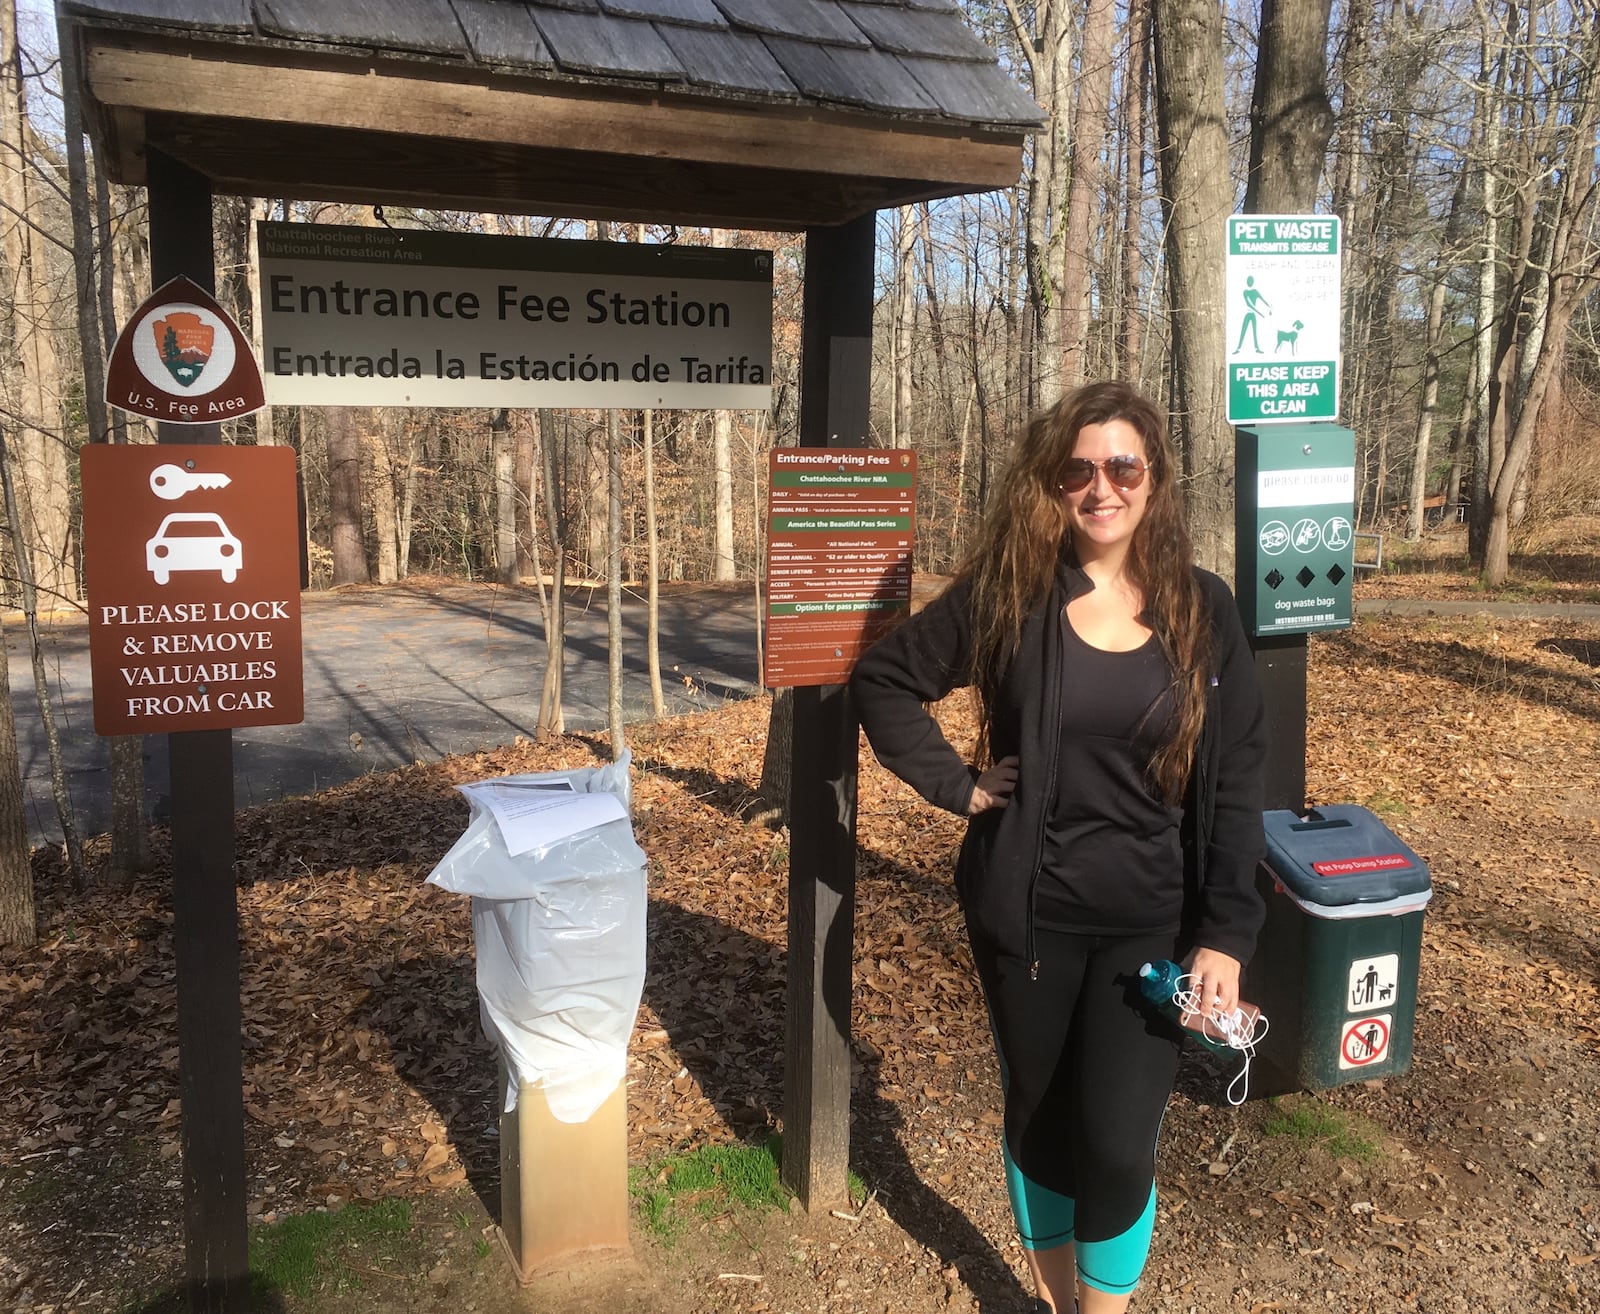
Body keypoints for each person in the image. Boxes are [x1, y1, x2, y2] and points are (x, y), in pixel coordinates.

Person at [850, 381, 1267, 1314]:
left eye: (1122, 466)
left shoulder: (1204, 612)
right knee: (1041, 1121)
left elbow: (1240, 781)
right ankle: (1051, 1302)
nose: (1101, 487)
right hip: (1029, 924)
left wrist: (1227, 934)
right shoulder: (1012, 600)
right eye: (1079, 469)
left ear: (1152, 480)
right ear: (1055, 483)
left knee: (1118, 1140)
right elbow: (884, 678)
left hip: (1154, 927)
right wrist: (958, 786)